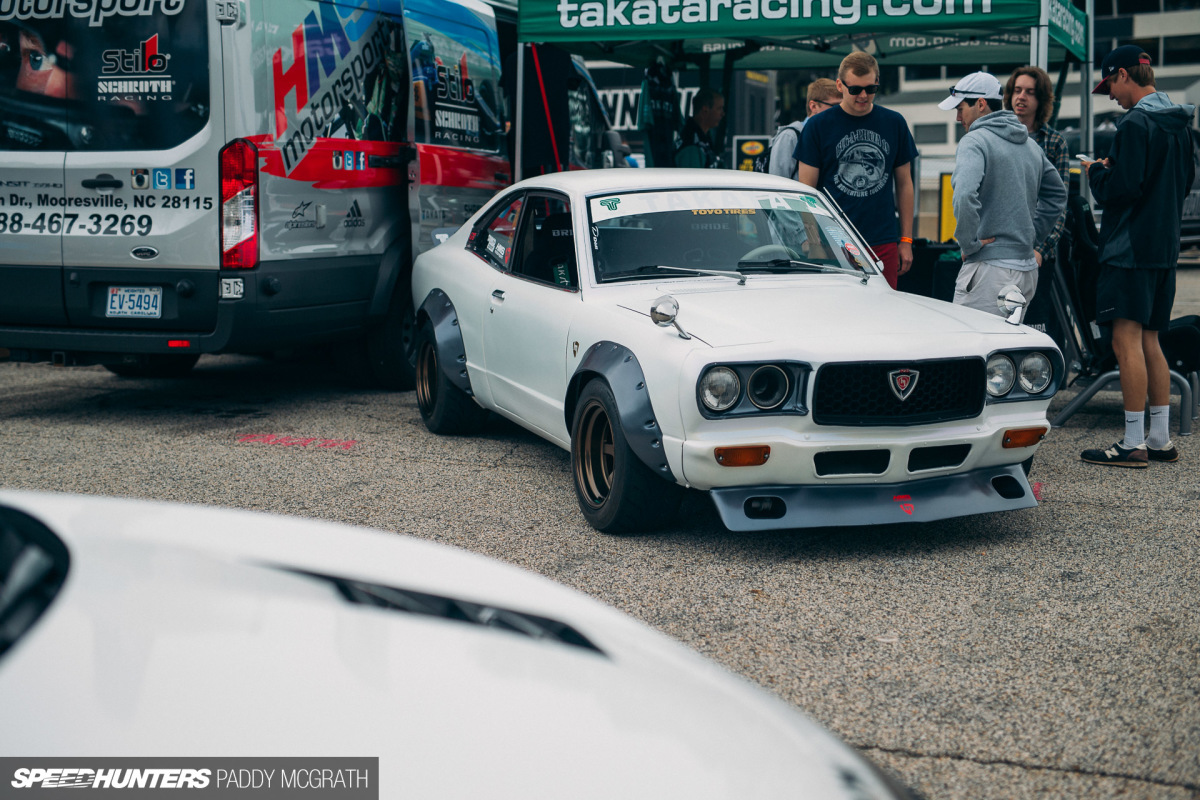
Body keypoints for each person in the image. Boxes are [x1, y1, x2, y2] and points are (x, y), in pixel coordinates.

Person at [1079, 45, 1196, 467]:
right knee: (1151, 340)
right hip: (1164, 249)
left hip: (1127, 251)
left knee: (1124, 339)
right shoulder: (1181, 124)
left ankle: (1132, 442)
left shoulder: (1133, 125)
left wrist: (1097, 172)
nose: (1110, 93)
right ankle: (1160, 437)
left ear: (1124, 75)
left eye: (1110, 83)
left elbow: (1121, 190)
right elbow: (1183, 185)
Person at [938, 72, 1066, 317]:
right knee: (1006, 352)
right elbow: (1057, 195)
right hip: (1026, 270)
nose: (957, 117)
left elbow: (964, 195)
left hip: (989, 270)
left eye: (960, 108)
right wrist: (1031, 236)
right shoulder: (1030, 145)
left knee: (968, 347)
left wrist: (969, 244)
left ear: (981, 104)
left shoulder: (974, 141)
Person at [795, 53, 917, 289]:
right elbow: (805, 191)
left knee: (884, 313)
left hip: (881, 242)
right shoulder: (818, 127)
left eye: (871, 89)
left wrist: (906, 240)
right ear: (840, 85)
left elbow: (905, 184)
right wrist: (814, 241)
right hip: (833, 241)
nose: (863, 96)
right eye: (855, 89)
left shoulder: (894, 122)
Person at [768, 78, 841, 180]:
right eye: (835, 106)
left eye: (842, 106)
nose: (840, 111)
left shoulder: (834, 135)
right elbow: (777, 183)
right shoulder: (790, 137)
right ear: (813, 106)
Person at [674, 88, 724, 169]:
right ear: (705, 110)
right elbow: (693, 180)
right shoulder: (691, 147)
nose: (723, 114)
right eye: (719, 109)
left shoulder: (704, 138)